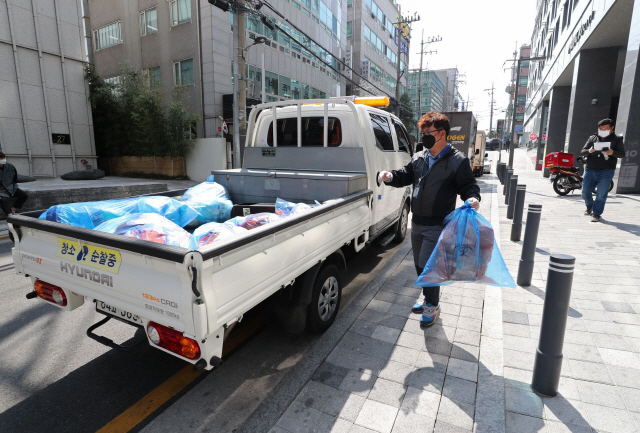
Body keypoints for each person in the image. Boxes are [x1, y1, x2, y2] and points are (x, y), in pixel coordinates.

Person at [378, 112, 481, 327]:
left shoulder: (456, 161)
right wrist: (390, 176)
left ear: (442, 134)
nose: (424, 136)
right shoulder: (419, 157)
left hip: (438, 224)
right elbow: (405, 175)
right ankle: (428, 299)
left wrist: (472, 197)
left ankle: (432, 305)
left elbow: (468, 186)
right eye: (422, 132)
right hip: (417, 223)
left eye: (428, 132)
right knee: (419, 264)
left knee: (428, 265)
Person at [580, 118, 625, 222]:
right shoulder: (593, 138)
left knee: (601, 194)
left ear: (612, 128)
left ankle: (596, 214)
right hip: (590, 169)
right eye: (601, 128)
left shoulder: (617, 139)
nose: (602, 130)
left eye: (605, 128)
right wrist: (589, 151)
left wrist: (612, 152)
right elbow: (582, 151)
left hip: (606, 170)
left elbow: (622, 154)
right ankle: (589, 206)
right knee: (585, 191)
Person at [0, 152, 29, 217]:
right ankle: (10, 216)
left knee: (23, 195)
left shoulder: (10, 166)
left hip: (10, 186)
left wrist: (13, 186)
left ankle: (13, 209)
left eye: (3, 158)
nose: (3, 159)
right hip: (1, 189)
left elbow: (14, 177)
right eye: (1, 158)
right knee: (2, 200)